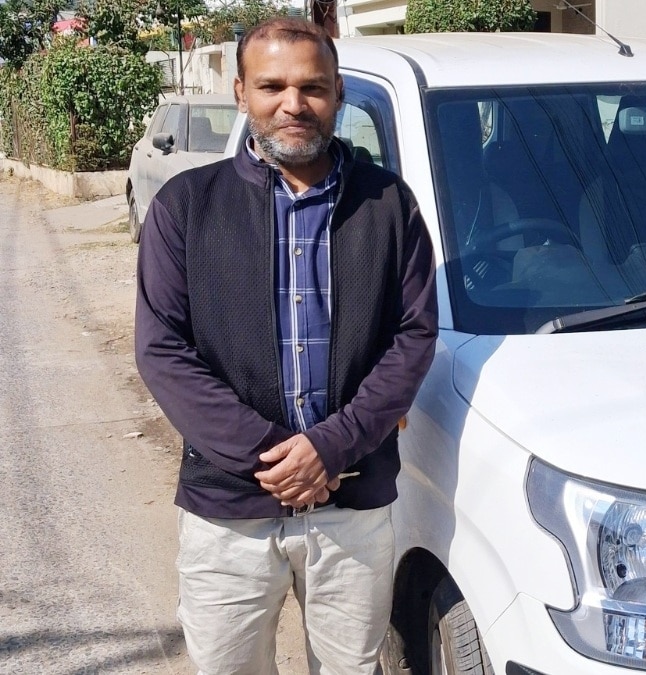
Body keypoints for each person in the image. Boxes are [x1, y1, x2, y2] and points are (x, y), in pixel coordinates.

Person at [134, 17, 438, 674]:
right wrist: (275, 458)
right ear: (240, 92)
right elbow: (161, 350)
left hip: (351, 506)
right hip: (227, 513)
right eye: (272, 86)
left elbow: (413, 337)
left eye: (313, 87)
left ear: (338, 94)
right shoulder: (187, 207)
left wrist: (329, 447)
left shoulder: (390, 205)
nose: (293, 104)